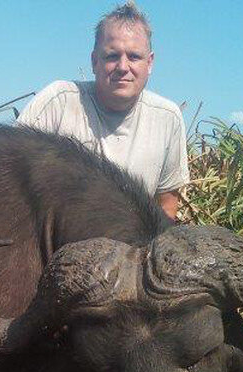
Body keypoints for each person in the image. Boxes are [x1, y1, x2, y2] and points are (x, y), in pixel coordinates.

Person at [17, 1, 190, 220]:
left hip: (131, 249)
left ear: (150, 63)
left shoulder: (167, 118)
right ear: (94, 61)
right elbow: (9, 176)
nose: (123, 67)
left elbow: (167, 207)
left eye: (134, 56)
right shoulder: (57, 101)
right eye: (112, 56)